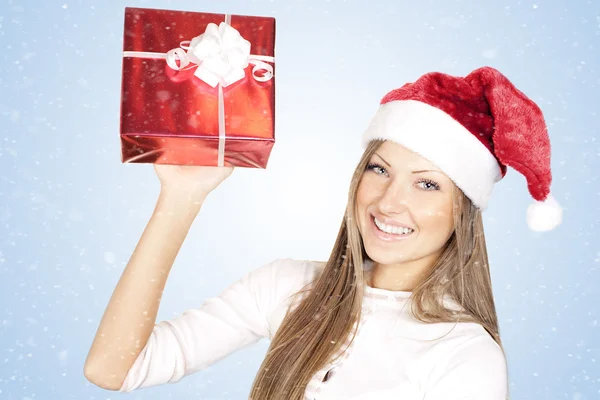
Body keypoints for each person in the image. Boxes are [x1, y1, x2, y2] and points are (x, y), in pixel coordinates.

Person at [84, 66, 562, 399]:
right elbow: (115, 368)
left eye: (427, 184)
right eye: (379, 169)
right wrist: (180, 198)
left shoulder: (463, 355)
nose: (389, 201)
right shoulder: (287, 288)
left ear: (462, 213)